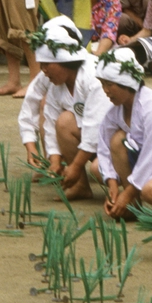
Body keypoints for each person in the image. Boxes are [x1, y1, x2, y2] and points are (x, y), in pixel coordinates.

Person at [30, 18, 114, 200]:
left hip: (117, 140)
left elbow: (93, 128)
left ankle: (128, 193)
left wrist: (75, 166)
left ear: (63, 61)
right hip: (96, 140)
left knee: (98, 169)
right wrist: (54, 160)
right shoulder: (56, 85)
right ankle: (80, 186)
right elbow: (51, 123)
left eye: (46, 64)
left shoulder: (93, 76)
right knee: (64, 122)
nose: (43, 70)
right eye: (41, 65)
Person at [96, 47, 152, 218]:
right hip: (146, 163)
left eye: (109, 84)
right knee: (115, 142)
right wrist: (112, 186)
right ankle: (132, 205)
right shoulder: (114, 112)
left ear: (126, 83)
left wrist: (129, 192)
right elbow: (103, 147)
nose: (105, 90)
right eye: (103, 84)